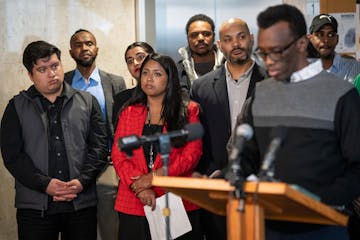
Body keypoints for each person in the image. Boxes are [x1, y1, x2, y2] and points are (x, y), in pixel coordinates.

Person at [236, 4, 360, 239]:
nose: (269, 60)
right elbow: (246, 156)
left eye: (277, 51)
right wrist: (230, 176)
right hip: (267, 225)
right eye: (263, 53)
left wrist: (317, 200)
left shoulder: (342, 94)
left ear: (302, 45)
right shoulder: (261, 94)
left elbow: (357, 166)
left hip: (323, 225)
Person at [0, 40, 108, 240]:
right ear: (30, 75)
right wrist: (45, 184)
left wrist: (82, 180)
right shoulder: (16, 107)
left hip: (80, 204)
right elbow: (12, 156)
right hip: (35, 208)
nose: (51, 73)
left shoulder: (87, 102)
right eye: (42, 69)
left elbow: (99, 148)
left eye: (54, 66)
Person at [111, 53, 203, 239]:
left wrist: (154, 178)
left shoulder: (188, 110)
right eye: (145, 73)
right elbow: (119, 154)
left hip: (175, 199)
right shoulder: (129, 111)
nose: (149, 78)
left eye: (157, 74)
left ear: (170, 80)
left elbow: (192, 154)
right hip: (134, 199)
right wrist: (141, 187)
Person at [190, 17, 266, 240]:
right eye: (228, 39)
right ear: (220, 45)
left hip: (259, 186)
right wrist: (208, 173)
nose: (236, 44)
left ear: (251, 39)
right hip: (216, 185)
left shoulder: (272, 81)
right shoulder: (201, 86)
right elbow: (199, 137)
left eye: (241, 37)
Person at [64, 29, 126, 240]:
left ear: (96, 48)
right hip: (74, 169)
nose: (84, 48)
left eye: (89, 43)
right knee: (81, 230)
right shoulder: (63, 83)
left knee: (110, 228)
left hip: (108, 167)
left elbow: (123, 124)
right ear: (71, 52)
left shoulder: (115, 82)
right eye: (78, 45)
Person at [307, 14, 360, 83]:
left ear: (337, 39)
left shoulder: (353, 68)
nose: (326, 40)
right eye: (320, 34)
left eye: (331, 34)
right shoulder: (300, 72)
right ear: (310, 38)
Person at [177, 13, 224, 91]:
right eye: (194, 35)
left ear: (214, 37)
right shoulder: (177, 71)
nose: (200, 38)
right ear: (188, 39)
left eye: (206, 34)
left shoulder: (229, 67)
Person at [112, 41, 155, 125]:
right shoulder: (122, 99)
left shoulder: (169, 91)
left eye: (140, 57)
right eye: (130, 61)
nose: (135, 63)